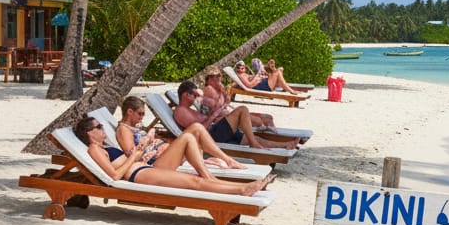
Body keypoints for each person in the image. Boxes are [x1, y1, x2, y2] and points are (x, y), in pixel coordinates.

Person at [73, 116, 272, 196]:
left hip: (143, 168)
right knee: (195, 183)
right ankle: (242, 190)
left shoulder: (104, 146)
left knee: (195, 180)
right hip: (138, 174)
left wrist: (140, 154)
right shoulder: (95, 150)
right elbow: (114, 176)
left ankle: (244, 187)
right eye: (98, 127)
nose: (102, 128)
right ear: (90, 133)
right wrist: (135, 158)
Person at [115, 95, 246, 170]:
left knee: (197, 128)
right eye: (140, 113)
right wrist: (150, 138)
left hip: (166, 154)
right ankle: (226, 160)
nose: (142, 117)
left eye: (143, 114)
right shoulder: (123, 130)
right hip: (157, 162)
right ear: (129, 112)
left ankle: (225, 160)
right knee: (194, 130)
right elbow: (134, 157)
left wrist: (154, 134)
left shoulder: (135, 127)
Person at [174, 80, 299, 151]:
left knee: (255, 137)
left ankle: (285, 145)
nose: (196, 98)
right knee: (242, 110)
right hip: (211, 136)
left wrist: (217, 113)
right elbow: (198, 130)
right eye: (194, 95)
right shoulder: (180, 111)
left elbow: (203, 121)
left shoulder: (189, 109)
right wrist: (214, 116)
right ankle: (253, 143)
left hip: (216, 131)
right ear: (185, 94)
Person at [201, 70, 277, 131]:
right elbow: (215, 110)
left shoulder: (218, 87)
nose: (220, 77)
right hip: (222, 120)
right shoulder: (209, 89)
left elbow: (227, 101)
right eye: (217, 76)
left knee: (268, 117)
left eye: (220, 75)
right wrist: (224, 99)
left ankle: (272, 134)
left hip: (230, 115)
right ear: (209, 79)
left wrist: (223, 92)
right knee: (259, 121)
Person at [232, 58, 307, 97]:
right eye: (240, 68)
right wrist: (258, 75)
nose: (242, 69)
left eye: (243, 67)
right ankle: (291, 91)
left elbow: (249, 80)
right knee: (278, 72)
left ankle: (270, 68)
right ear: (237, 69)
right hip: (263, 86)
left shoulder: (244, 74)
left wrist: (260, 75)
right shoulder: (241, 75)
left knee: (280, 69)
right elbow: (249, 85)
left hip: (263, 83)